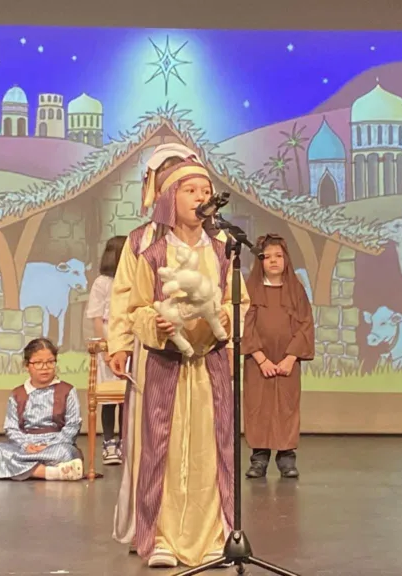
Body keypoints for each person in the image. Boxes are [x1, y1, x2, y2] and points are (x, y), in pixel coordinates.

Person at [109, 145, 249, 568]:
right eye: (191, 190)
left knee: (209, 446)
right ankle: (162, 535)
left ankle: (213, 534)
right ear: (170, 196)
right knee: (161, 447)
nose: (200, 197)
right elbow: (128, 300)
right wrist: (127, 339)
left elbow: (239, 301)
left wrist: (224, 322)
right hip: (162, 360)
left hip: (209, 364)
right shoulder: (146, 245)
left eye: (205, 190)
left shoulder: (222, 246)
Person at [242, 234, 314, 479]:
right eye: (267, 257)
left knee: (286, 405)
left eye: (278, 256)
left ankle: (286, 457)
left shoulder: (296, 290)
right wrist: (260, 358)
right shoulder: (250, 290)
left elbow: (305, 325)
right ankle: (259, 458)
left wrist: (290, 358)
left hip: (286, 361)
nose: (273, 261)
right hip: (257, 361)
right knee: (258, 405)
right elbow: (245, 325)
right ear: (259, 261)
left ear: (286, 259)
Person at [0, 338, 84, 481]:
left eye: (50, 362)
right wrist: (26, 445)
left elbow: (73, 425)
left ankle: (5, 469)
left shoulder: (67, 390)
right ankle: (47, 472)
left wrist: (48, 445)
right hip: (25, 447)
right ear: (27, 365)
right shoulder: (18, 394)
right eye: (38, 363)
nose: (45, 367)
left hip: (55, 445)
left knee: (66, 453)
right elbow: (11, 428)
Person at [86, 234, 128, 465]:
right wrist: (105, 349)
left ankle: (125, 442)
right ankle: (109, 442)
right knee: (109, 398)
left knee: (127, 398)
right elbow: (96, 317)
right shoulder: (102, 283)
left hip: (129, 345)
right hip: (109, 346)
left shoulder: (132, 279)